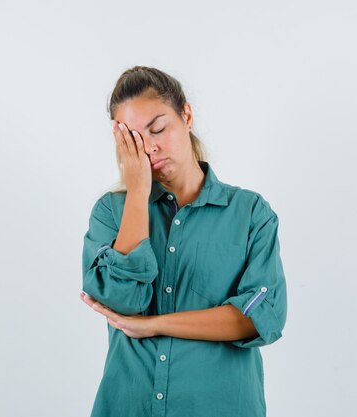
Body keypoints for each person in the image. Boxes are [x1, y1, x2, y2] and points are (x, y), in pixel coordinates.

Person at [79, 65, 287, 417]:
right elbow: (123, 301)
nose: (150, 147)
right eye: (133, 139)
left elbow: (261, 319)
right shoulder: (111, 213)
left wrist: (154, 324)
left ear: (186, 115)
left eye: (158, 128)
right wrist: (138, 191)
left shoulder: (250, 213)